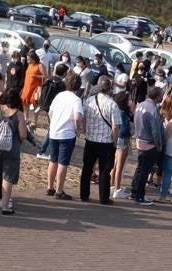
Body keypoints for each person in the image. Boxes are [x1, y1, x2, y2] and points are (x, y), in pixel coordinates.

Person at [81, 75, 120, 205]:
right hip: (106, 141)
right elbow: (115, 127)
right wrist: (115, 142)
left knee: (87, 167)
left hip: (91, 138)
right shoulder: (113, 104)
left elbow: (84, 118)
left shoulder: (89, 100)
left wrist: (85, 130)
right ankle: (103, 197)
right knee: (104, 170)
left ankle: (84, 194)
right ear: (109, 88)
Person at [44, 72, 83, 200]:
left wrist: (53, 123)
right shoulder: (76, 99)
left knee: (53, 160)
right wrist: (78, 129)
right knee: (63, 163)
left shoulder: (59, 96)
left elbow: (50, 112)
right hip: (67, 133)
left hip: (54, 131)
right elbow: (77, 117)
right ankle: (59, 190)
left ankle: (50, 186)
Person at [130, 86, 164, 206]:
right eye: (161, 94)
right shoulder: (153, 108)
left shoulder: (141, 105)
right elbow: (155, 130)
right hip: (149, 143)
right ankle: (139, 196)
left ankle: (134, 191)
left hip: (140, 139)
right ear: (157, 96)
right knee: (144, 170)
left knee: (140, 168)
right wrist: (159, 144)